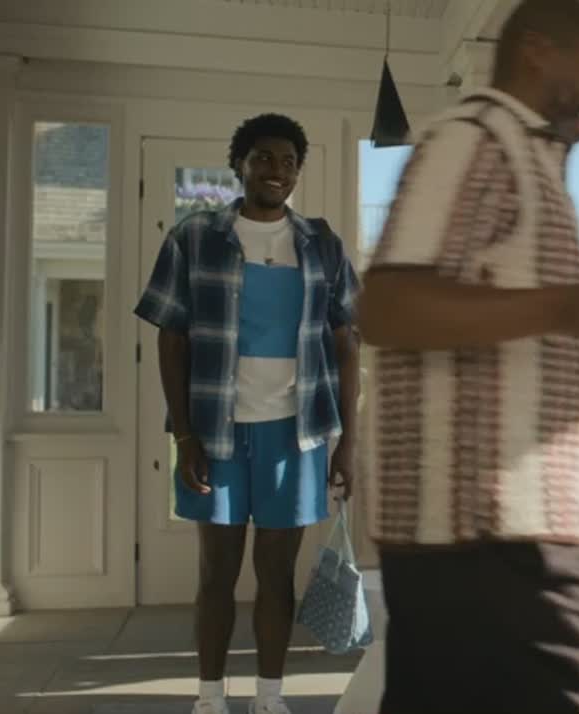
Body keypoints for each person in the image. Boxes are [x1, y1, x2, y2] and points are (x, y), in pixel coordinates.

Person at [357, 2, 579, 712]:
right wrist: (571, 307)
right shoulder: (475, 140)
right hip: (490, 541)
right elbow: (386, 307)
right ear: (538, 51)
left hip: (500, 542)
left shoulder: (531, 168)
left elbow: (507, 374)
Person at [135, 113, 361, 714]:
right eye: (263, 158)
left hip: (297, 434)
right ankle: (210, 697)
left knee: (277, 574)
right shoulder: (195, 237)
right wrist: (185, 435)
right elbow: (171, 338)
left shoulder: (322, 245)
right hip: (216, 431)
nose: (276, 170)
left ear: (298, 172)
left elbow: (346, 344)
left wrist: (348, 442)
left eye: (288, 161)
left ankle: (269, 697)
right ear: (239, 164)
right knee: (216, 572)